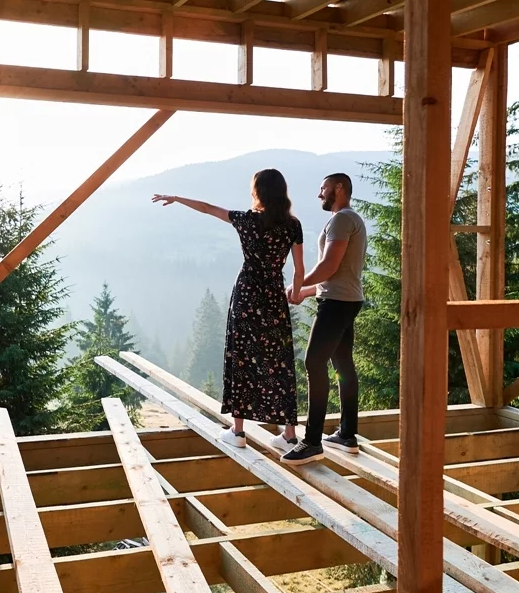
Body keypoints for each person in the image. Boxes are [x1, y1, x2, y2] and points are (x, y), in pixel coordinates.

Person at [152, 169, 305, 455]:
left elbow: (209, 209)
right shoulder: (292, 226)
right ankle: (289, 435)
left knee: (242, 356)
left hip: (247, 296)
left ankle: (238, 431)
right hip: (274, 296)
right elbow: (299, 270)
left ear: (258, 192)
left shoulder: (247, 220)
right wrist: (295, 295)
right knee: (279, 360)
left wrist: (176, 198)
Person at [283, 172, 367, 462]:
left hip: (337, 303)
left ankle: (312, 441)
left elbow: (329, 265)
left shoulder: (342, 220)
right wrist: (305, 292)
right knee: (342, 363)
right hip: (345, 298)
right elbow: (335, 274)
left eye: (324, 188)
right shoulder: (347, 219)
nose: (320, 194)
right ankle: (346, 434)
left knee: (313, 362)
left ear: (339, 188)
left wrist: (296, 285)